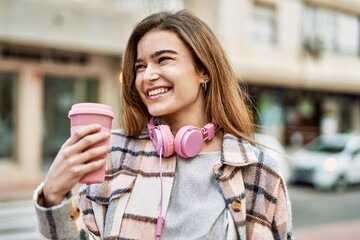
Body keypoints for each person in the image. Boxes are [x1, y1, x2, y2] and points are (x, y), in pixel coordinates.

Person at [34, 10, 293, 240]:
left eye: (163, 60)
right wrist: (54, 197)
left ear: (204, 70)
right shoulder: (113, 154)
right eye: (140, 66)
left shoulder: (258, 171)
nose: (148, 76)